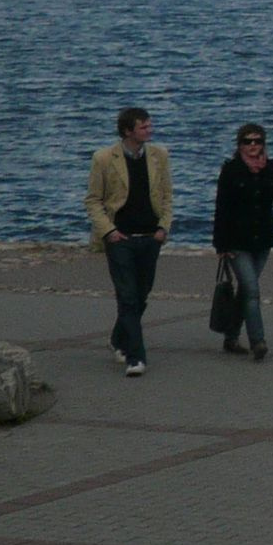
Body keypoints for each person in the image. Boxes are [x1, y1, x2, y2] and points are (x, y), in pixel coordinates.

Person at [86, 107, 171, 377]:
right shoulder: (103, 158)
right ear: (127, 131)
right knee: (128, 296)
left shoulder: (159, 155)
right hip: (119, 238)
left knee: (141, 294)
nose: (149, 129)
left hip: (150, 237)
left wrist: (163, 228)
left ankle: (118, 338)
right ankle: (136, 357)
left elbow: (167, 196)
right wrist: (109, 231)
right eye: (143, 126)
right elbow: (93, 200)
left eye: (149, 125)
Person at [211, 122, 273, 361]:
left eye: (257, 141)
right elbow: (221, 208)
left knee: (245, 291)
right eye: (247, 141)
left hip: (262, 239)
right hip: (236, 241)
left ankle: (231, 337)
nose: (253, 146)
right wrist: (221, 245)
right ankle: (258, 341)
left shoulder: (272, 169)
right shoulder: (231, 171)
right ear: (239, 145)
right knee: (252, 290)